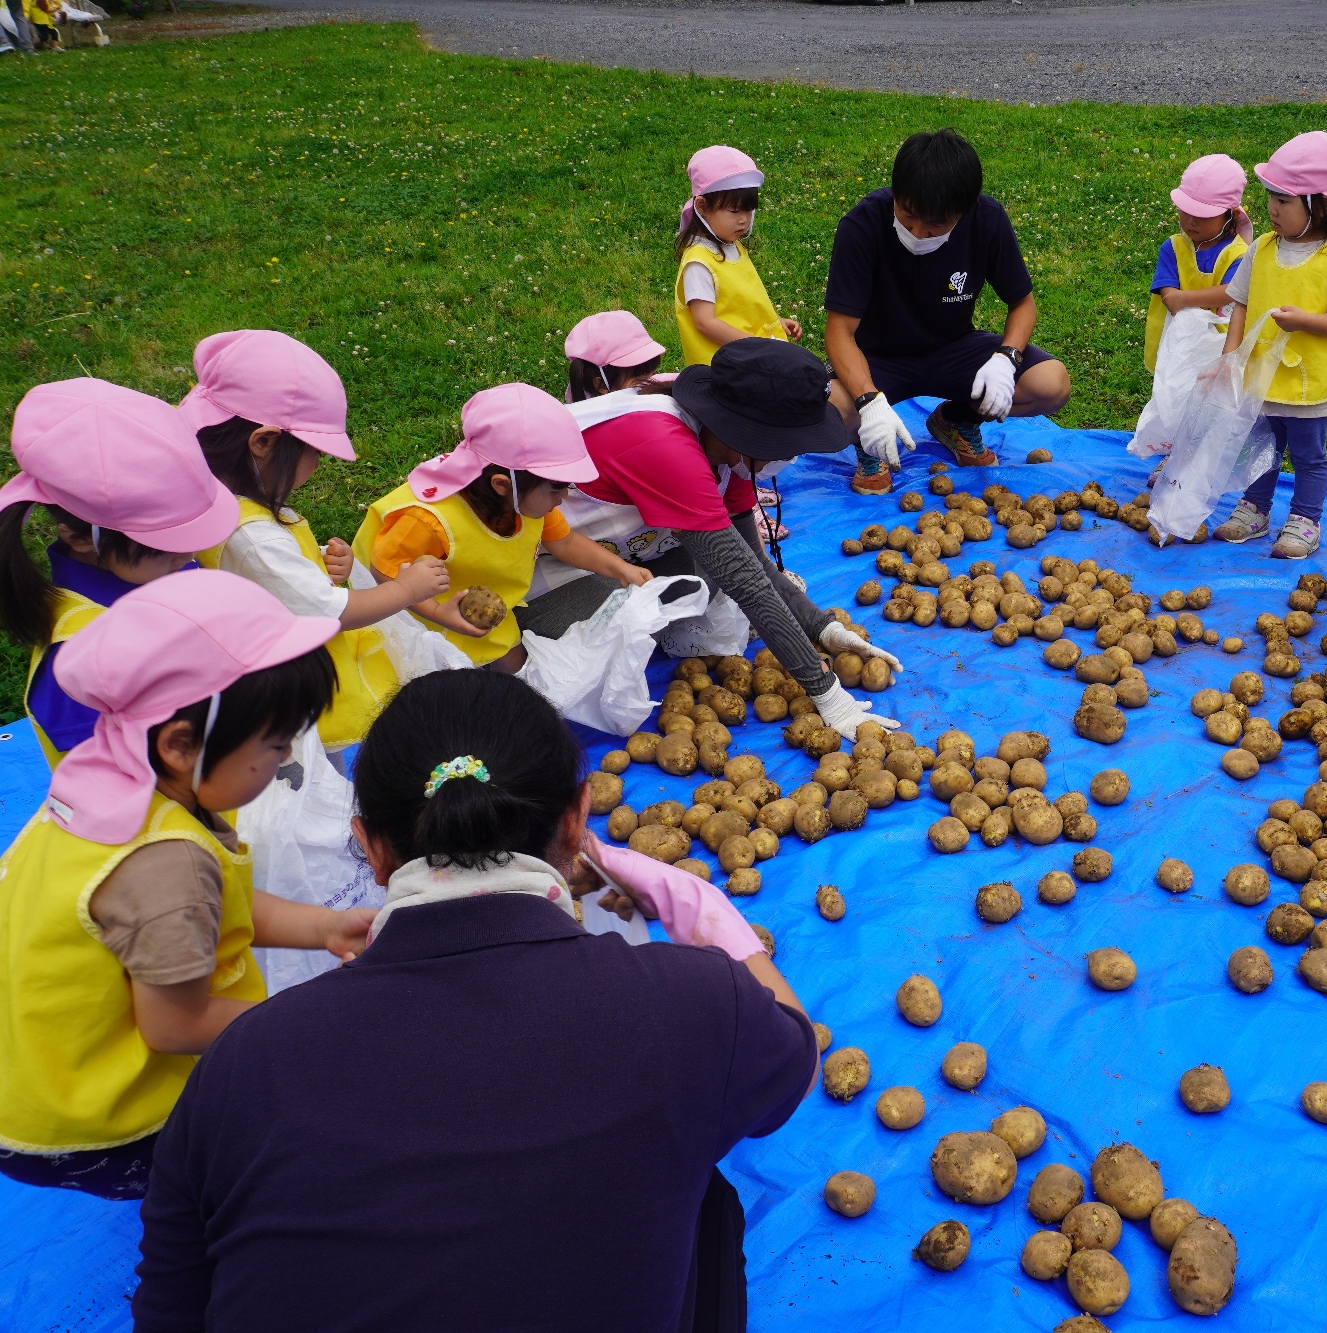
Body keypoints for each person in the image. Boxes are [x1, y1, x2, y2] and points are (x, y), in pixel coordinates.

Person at [132, 669, 817, 1331]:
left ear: (369, 847)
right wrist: (704, 908)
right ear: (578, 820)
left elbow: (171, 1303)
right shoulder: (694, 1006)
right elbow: (797, 1053)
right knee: (709, 1199)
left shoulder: (240, 1062)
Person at [0, 570, 373, 1201]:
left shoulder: (106, 774)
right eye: (277, 743)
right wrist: (314, 1021)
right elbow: (176, 1025)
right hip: (85, 1119)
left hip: (36, 1058)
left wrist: (321, 925)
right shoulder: (165, 863)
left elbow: (210, 905)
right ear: (179, 745)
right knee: (210, 1190)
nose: (285, 760)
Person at [532, 322, 901, 740]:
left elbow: (754, 563)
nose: (792, 455)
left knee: (709, 577)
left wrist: (826, 630)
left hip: (620, 551)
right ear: (754, 433)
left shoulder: (728, 444)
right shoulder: (666, 446)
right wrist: (829, 696)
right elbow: (746, 582)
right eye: (789, 444)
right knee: (608, 636)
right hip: (536, 559)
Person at [184, 329, 451, 753]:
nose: (317, 464)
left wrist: (319, 560)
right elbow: (331, 613)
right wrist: (406, 589)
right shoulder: (250, 535)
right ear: (265, 441)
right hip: (299, 691)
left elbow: (265, 577)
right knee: (328, 780)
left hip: (273, 661)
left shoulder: (227, 505)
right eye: (315, 452)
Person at [0, 378, 240, 767]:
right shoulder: (79, 656)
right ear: (79, 538)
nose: (191, 553)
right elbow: (101, 775)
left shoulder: (157, 571)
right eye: (166, 545)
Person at [825, 129, 1072, 490]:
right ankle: (870, 440)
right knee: (828, 412)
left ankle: (955, 420)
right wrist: (867, 401)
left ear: (964, 210)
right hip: (877, 357)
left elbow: (1022, 303)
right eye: (907, 215)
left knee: (1052, 384)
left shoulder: (986, 219)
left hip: (953, 348)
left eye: (935, 224)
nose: (918, 232)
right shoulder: (861, 226)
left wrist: (1006, 358)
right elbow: (839, 331)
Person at [353, 382, 650, 673]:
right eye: (557, 488)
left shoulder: (527, 504)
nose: (564, 498)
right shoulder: (429, 521)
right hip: (410, 607)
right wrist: (438, 614)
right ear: (502, 485)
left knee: (515, 670)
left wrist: (619, 569)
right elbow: (386, 572)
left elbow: (566, 543)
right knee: (430, 676)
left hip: (480, 603)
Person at [1214, 131, 1327, 560]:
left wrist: (1305, 322)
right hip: (1260, 377)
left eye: (1284, 200)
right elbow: (1240, 304)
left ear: (1322, 205)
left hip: (1307, 385)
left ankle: (1304, 519)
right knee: (1258, 446)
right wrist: (1230, 357)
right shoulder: (1261, 248)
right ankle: (1254, 508)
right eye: (1270, 197)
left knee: (1307, 456)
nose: (1271, 209)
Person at [675, 145, 802, 367]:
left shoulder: (730, 243)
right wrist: (756, 345)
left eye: (749, 210)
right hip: (728, 369)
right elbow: (706, 322)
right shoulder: (699, 263)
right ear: (702, 207)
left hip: (753, 358)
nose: (744, 220)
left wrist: (774, 322)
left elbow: (743, 303)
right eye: (734, 211)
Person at [1144, 154, 1252, 372]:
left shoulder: (1239, 254)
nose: (1191, 222)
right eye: (1186, 212)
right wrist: (1172, 297)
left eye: (1203, 216)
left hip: (1216, 343)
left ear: (1229, 216)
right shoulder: (1173, 247)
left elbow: (1234, 290)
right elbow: (1167, 291)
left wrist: (1183, 298)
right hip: (1175, 340)